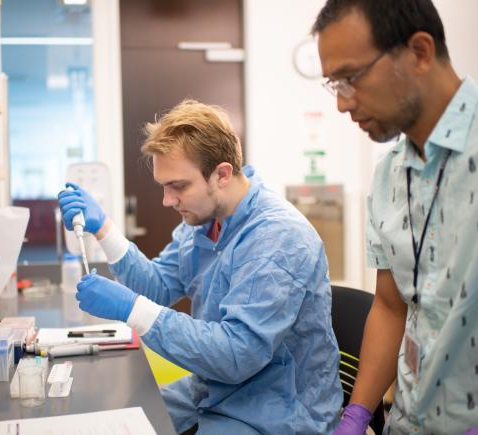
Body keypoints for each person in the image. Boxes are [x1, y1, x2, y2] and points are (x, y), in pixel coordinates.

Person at [58, 100, 342, 434]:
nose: (167, 200)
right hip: (214, 388)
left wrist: (131, 308)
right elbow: (157, 287)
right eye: (163, 186)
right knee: (117, 418)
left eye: (178, 186)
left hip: (273, 411)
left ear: (221, 174)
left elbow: (237, 354)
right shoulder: (205, 223)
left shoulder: (277, 237)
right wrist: (104, 228)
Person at [312, 0, 478, 433]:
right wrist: (358, 413)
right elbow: (390, 306)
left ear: (420, 53)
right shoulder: (389, 176)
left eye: (351, 78)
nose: (343, 104)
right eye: (335, 85)